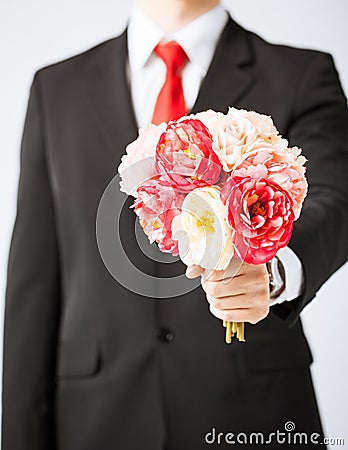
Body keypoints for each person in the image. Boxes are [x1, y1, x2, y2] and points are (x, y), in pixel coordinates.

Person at [2, 0, 348, 449]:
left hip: (253, 412)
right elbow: (33, 281)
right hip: (97, 415)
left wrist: (273, 269)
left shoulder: (300, 73)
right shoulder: (57, 88)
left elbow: (336, 200)